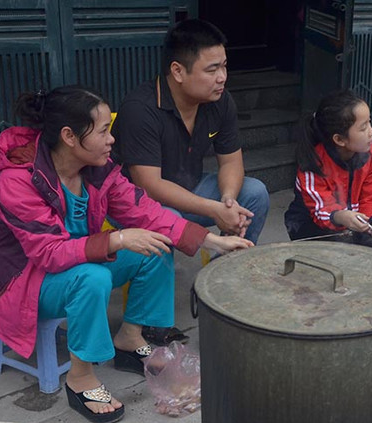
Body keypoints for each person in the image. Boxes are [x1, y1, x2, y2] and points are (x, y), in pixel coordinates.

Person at [0, 86, 252, 423]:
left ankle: (130, 338)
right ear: (70, 136)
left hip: (73, 263)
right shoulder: (17, 182)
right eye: (103, 131)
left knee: (155, 246)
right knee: (93, 276)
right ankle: (81, 378)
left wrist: (212, 241)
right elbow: (50, 254)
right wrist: (118, 238)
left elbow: (145, 211)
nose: (112, 139)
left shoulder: (97, 170)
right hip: (22, 282)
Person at [111, 19, 270, 341]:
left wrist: (227, 200)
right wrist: (213, 209)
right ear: (178, 71)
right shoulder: (140, 109)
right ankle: (148, 323)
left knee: (254, 193)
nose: (222, 77)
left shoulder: (220, 101)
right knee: (164, 221)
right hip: (136, 204)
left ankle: (222, 283)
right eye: (212, 70)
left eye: (224, 66)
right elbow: (148, 185)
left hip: (192, 189)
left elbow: (231, 160)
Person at [284, 89, 372, 244]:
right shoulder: (313, 163)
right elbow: (321, 210)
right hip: (311, 226)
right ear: (340, 140)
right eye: (363, 128)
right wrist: (340, 216)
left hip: (354, 222)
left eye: (370, 122)